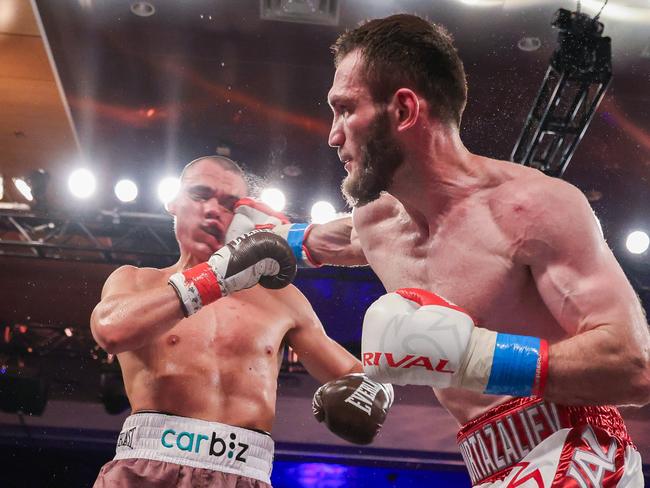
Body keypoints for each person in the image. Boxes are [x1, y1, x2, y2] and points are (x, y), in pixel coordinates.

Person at [232, 14, 650, 487]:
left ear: (405, 110)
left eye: (345, 109)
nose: (333, 134)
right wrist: (267, 239)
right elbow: (332, 242)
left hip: (578, 448)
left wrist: (475, 357)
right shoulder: (375, 224)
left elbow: (633, 366)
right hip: (486, 463)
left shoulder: (532, 208)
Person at [89, 155, 393, 488]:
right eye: (200, 194)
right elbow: (111, 331)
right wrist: (214, 277)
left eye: (229, 203)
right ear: (173, 202)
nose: (212, 210)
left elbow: (359, 377)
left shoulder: (282, 299)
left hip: (244, 475)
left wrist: (377, 392)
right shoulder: (138, 281)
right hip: (147, 469)